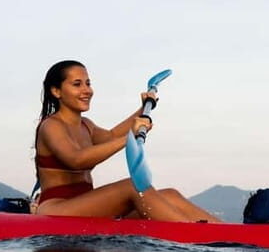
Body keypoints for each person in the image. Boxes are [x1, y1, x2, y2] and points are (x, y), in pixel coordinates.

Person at [34, 60, 220, 222]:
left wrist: (143, 108)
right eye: (77, 84)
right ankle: (195, 235)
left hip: (87, 204)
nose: (87, 90)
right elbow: (76, 159)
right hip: (57, 209)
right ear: (56, 91)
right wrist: (130, 138)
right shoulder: (51, 126)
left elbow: (113, 136)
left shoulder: (86, 126)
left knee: (170, 195)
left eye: (88, 83)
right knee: (132, 186)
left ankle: (228, 232)